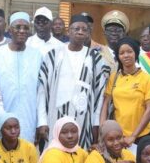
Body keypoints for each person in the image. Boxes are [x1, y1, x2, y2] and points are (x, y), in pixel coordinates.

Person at [37, 15, 110, 149]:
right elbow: (42, 90)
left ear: (88, 33)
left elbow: (99, 94)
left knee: (80, 154)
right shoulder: (53, 55)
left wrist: (95, 122)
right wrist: (42, 121)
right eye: (76, 29)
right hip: (56, 115)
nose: (80, 32)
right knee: (55, 152)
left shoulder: (95, 58)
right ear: (68, 31)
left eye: (84, 29)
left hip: (83, 118)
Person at [0, 12, 43, 143]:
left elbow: (41, 91)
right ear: (9, 30)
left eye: (26, 28)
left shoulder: (37, 55)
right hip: (3, 116)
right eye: (17, 27)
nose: (22, 31)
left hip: (30, 118)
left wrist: (41, 122)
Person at [99, 37, 150, 147]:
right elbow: (105, 104)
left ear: (136, 53)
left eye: (129, 51)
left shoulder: (147, 79)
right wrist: (102, 132)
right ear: (118, 56)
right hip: (118, 137)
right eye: (121, 53)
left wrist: (133, 136)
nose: (126, 55)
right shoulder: (113, 78)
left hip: (142, 135)